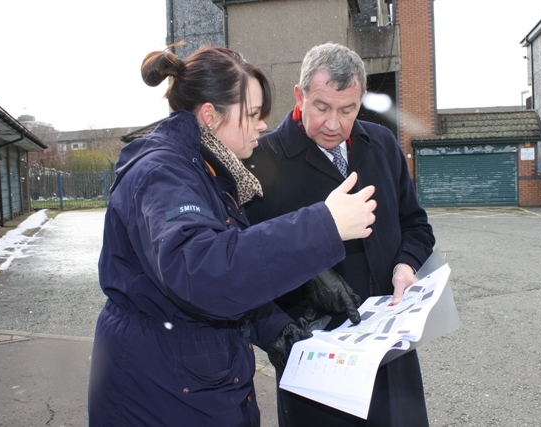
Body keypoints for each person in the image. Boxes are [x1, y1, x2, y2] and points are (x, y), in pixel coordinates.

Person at [88, 43, 378, 426]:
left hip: (196, 384)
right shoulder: (163, 173)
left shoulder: (212, 172)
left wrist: (278, 329)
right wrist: (325, 225)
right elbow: (201, 271)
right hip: (159, 393)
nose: (262, 125)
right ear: (209, 115)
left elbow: (228, 274)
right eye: (253, 114)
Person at [244, 43, 436, 426]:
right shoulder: (260, 161)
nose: (334, 123)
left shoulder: (381, 144)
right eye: (321, 107)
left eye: (347, 109)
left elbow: (416, 224)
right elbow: (243, 267)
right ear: (300, 96)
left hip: (389, 354)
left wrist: (406, 264)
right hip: (317, 364)